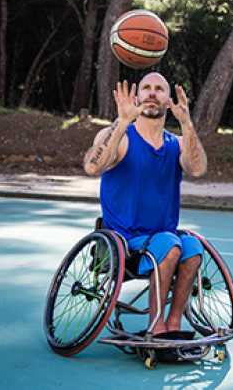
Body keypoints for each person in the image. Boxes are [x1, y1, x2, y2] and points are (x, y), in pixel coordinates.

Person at [83, 72, 208, 337]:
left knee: (194, 248)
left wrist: (186, 122)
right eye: (146, 88)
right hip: (124, 242)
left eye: (159, 89)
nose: (152, 93)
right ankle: (156, 326)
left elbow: (197, 169)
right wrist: (121, 122)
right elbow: (93, 166)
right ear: (137, 96)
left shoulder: (177, 144)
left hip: (163, 237)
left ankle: (173, 323)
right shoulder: (121, 136)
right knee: (171, 245)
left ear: (168, 100)